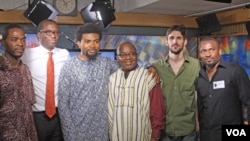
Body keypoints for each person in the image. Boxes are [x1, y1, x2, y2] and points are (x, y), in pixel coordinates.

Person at [58, 22, 159, 141]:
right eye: (88, 41)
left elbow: (128, 63)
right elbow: (63, 105)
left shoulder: (106, 63)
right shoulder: (68, 67)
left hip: (102, 133)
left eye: (96, 41)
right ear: (79, 43)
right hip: (77, 133)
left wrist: (149, 67)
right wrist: (70, 135)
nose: (93, 45)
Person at [22, 19, 70, 141]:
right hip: (37, 115)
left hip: (60, 114)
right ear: (39, 34)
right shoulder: (27, 54)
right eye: (48, 32)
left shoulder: (64, 54)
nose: (53, 35)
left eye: (56, 32)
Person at [108, 41, 166, 141]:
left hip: (142, 136)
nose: (128, 58)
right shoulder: (111, 79)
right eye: (123, 55)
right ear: (117, 58)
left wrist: (155, 136)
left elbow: (157, 110)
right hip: (116, 136)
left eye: (132, 54)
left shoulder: (149, 76)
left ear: (137, 55)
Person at [196, 36, 250, 141]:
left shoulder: (235, 71)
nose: (207, 54)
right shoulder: (199, 76)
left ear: (220, 50)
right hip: (207, 134)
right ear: (199, 54)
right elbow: (201, 108)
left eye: (211, 50)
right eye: (203, 51)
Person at [152, 24, 200, 141]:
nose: (175, 41)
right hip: (165, 130)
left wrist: (199, 122)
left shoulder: (196, 65)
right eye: (171, 38)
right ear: (166, 42)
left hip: (188, 129)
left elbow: (199, 97)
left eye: (179, 38)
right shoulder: (156, 67)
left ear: (185, 42)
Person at [0, 24, 38, 141]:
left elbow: (28, 109)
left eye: (23, 39)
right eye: (14, 39)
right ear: (3, 43)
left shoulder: (25, 70)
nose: (20, 44)